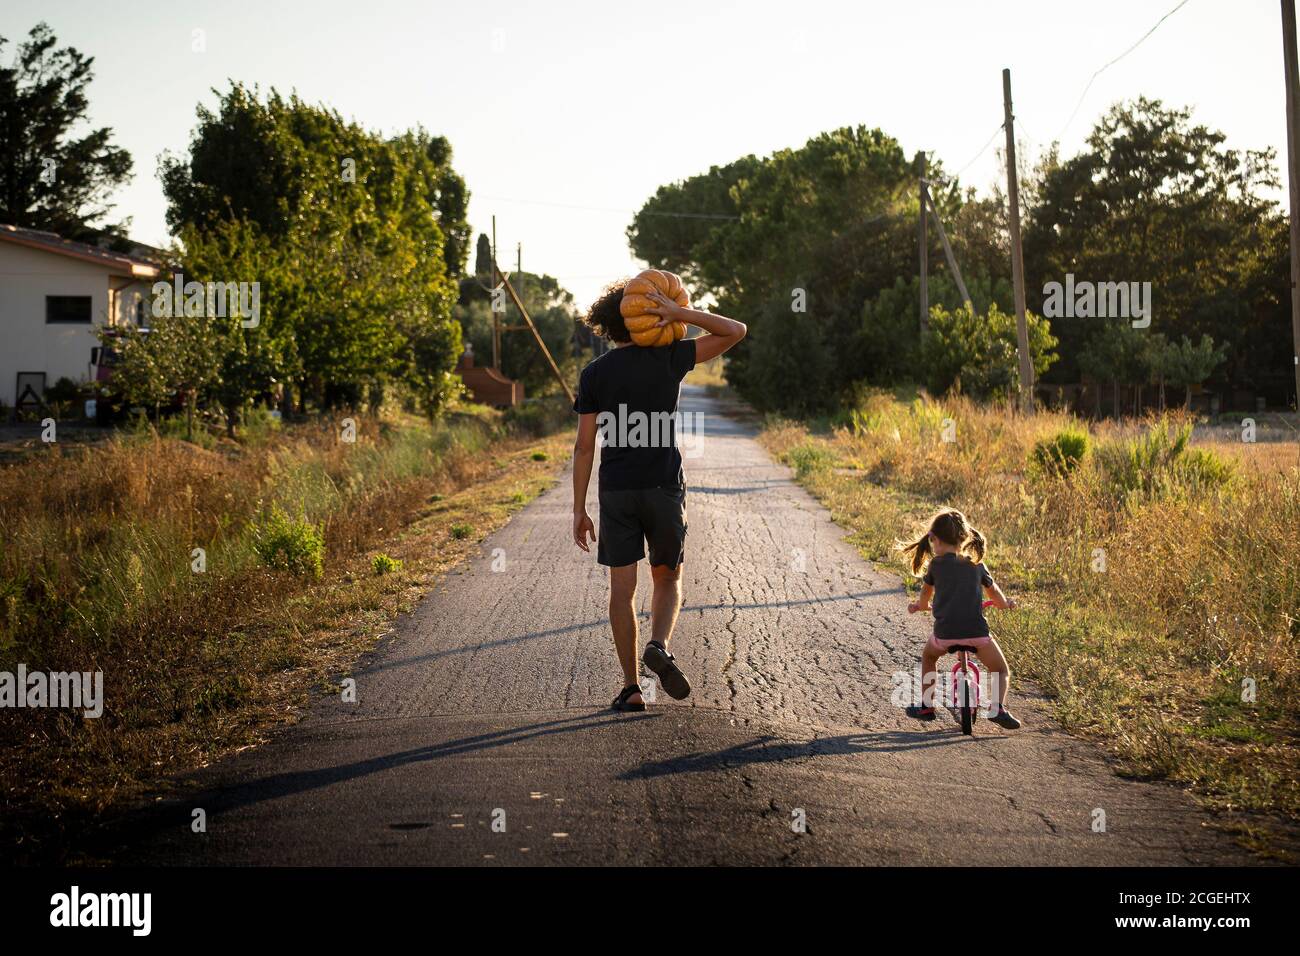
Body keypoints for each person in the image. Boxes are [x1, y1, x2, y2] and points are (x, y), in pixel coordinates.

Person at [571, 279, 746, 711]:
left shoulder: (595, 373)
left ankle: (632, 688)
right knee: (667, 575)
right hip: (663, 485)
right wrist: (680, 313)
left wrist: (579, 509)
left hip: (617, 490)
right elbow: (734, 330)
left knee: (622, 589)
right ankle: (659, 645)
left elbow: (584, 446)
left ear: (612, 325)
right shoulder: (671, 357)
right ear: (649, 317)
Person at [898, 509, 1022, 729]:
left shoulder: (935, 566)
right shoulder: (977, 565)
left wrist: (921, 606)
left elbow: (926, 595)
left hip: (944, 635)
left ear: (933, 539)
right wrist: (1006, 604)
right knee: (1001, 670)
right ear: (965, 538)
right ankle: (997, 708)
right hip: (977, 635)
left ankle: (927, 706)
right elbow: (997, 596)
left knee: (928, 657)